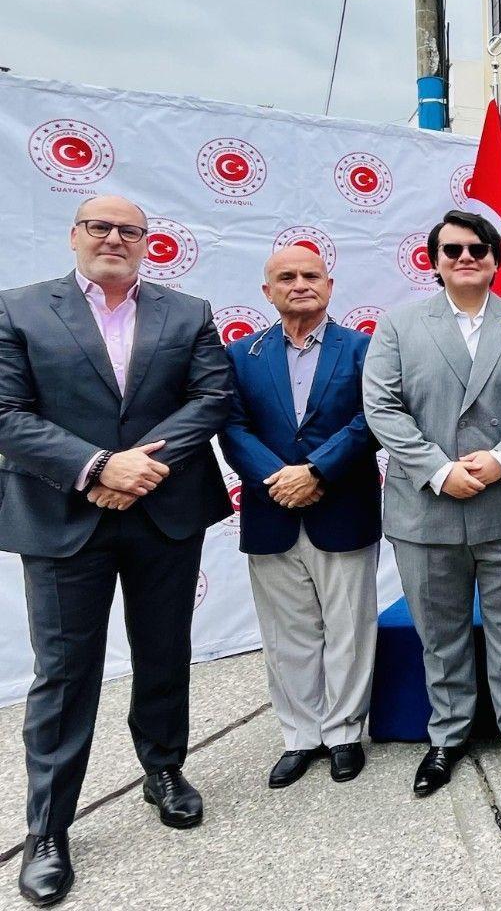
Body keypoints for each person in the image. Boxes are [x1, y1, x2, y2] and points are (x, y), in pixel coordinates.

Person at [0, 196, 232, 907]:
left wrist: (140, 468)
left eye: (129, 230)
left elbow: (212, 396)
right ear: (73, 236)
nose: (114, 238)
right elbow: (7, 413)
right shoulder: (19, 310)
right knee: (66, 672)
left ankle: (163, 770)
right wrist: (100, 466)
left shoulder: (186, 312)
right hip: (64, 514)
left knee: (163, 651)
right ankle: (49, 828)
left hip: (164, 510)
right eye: (99, 227)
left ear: (146, 243)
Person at [362, 209, 501, 796]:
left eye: (477, 248)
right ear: (435, 261)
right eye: (452, 250)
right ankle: (447, 735)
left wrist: (500, 459)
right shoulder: (397, 326)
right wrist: (439, 470)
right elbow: (382, 408)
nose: (465, 257)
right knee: (440, 635)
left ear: (496, 258)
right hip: (426, 510)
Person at [220, 245, 381, 790]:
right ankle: (300, 736)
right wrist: (281, 479)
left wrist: (316, 471)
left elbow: (371, 419)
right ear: (267, 292)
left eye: (311, 275)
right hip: (272, 513)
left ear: (330, 286)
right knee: (287, 633)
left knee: (349, 629)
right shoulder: (241, 355)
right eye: (286, 277)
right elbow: (233, 428)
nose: (300, 284)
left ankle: (342, 734)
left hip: (342, 506)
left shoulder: (362, 349)